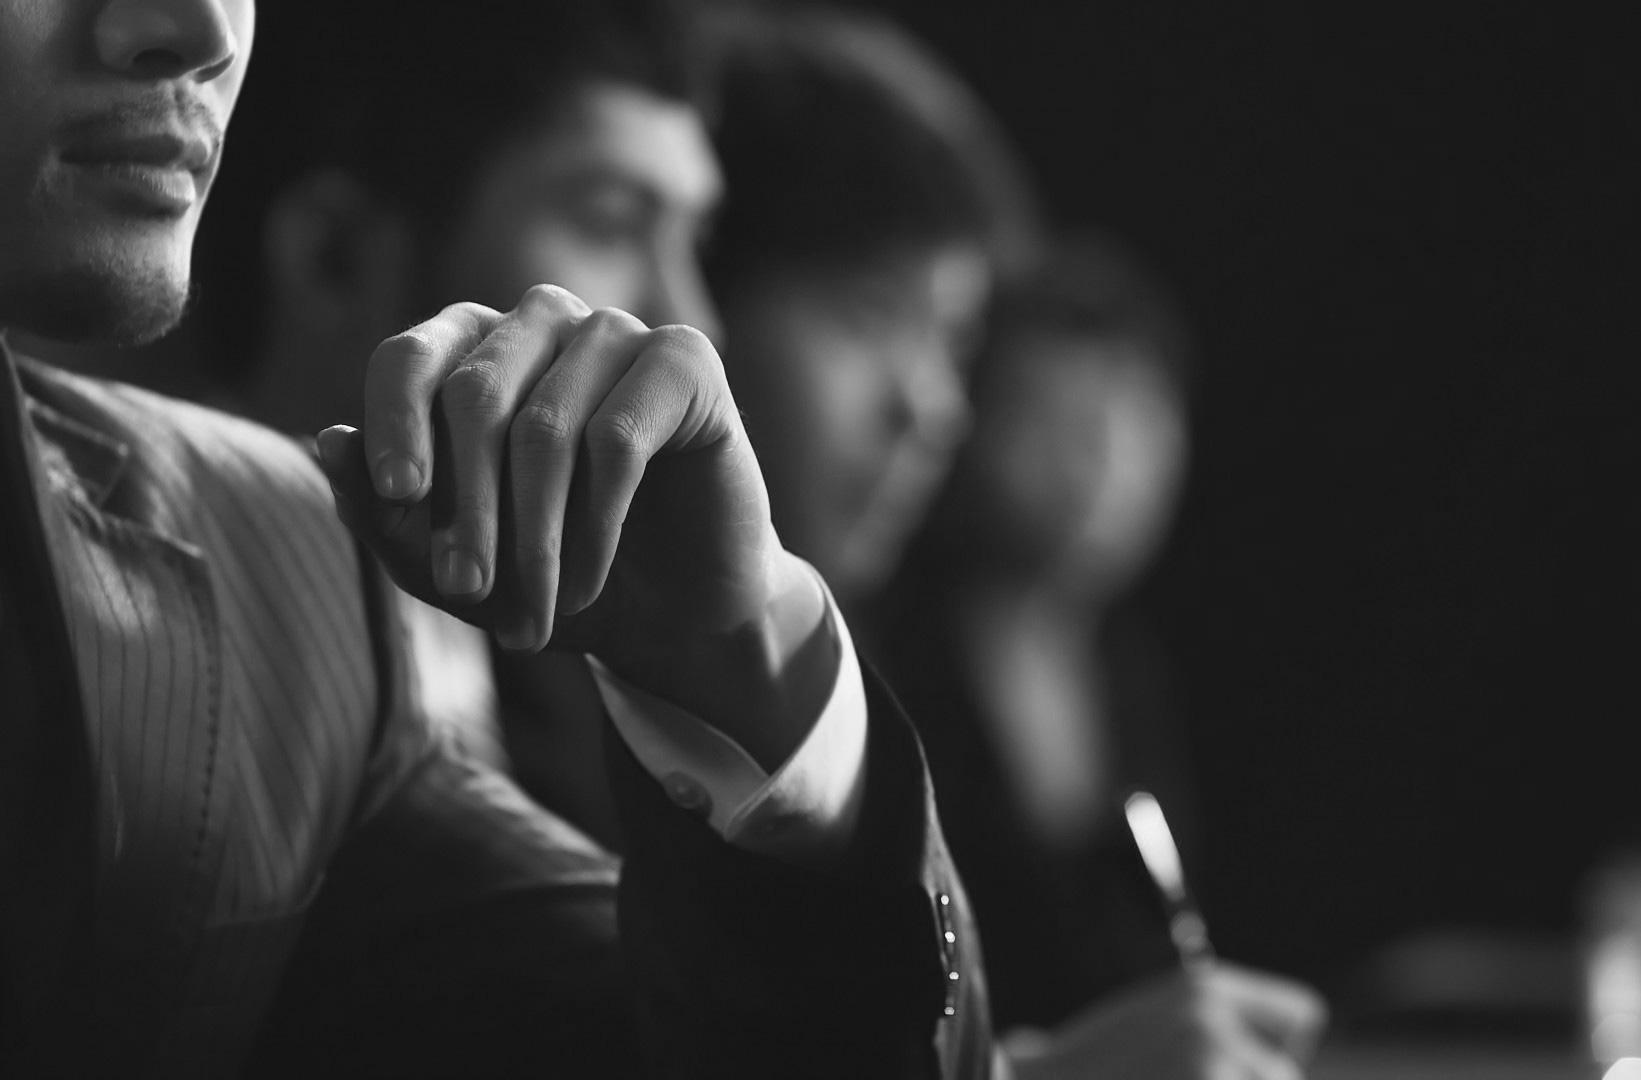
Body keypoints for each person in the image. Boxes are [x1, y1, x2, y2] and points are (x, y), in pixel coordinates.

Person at [0, 0, 995, 1075]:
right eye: (608, 220)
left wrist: (745, 651)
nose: (203, 26)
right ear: (333, 254)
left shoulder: (305, 612)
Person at [695, 12, 1324, 1078]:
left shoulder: (1089, 667)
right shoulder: (594, 650)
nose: (929, 409)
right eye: (868, 315)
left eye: (951, 344)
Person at [873, 233, 1324, 1077]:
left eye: (1139, 421)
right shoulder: (886, 661)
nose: (1104, 463)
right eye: (1058, 420)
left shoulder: (1130, 668)